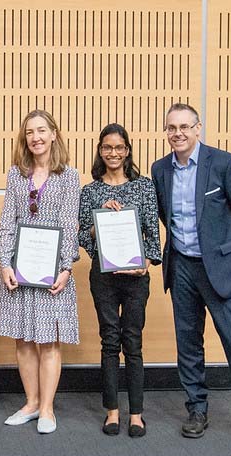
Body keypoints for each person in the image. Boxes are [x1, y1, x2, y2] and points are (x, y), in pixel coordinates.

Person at [152, 103, 231, 445]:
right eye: (172, 128)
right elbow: (167, 216)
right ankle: (196, 409)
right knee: (189, 344)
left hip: (222, 270)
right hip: (182, 268)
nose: (178, 133)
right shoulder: (160, 169)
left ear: (198, 128)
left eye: (184, 127)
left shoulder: (224, 163)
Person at [0, 110, 80, 434]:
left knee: (48, 342)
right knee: (24, 340)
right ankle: (30, 403)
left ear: (54, 134)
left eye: (42, 130)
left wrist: (66, 266)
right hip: (20, 269)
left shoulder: (68, 175)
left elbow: (70, 223)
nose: (36, 137)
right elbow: (7, 222)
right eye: (30, 132)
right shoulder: (16, 174)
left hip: (54, 272)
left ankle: (47, 409)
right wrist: (4, 262)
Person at [78, 123, 161, 437]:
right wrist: (101, 220)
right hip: (104, 275)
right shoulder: (90, 191)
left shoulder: (144, 187)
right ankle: (112, 411)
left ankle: (136, 414)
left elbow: (153, 233)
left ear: (127, 151)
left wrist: (147, 264)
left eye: (118, 147)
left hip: (136, 276)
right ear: (100, 151)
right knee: (110, 340)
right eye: (106, 148)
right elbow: (83, 239)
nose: (112, 153)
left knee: (133, 342)